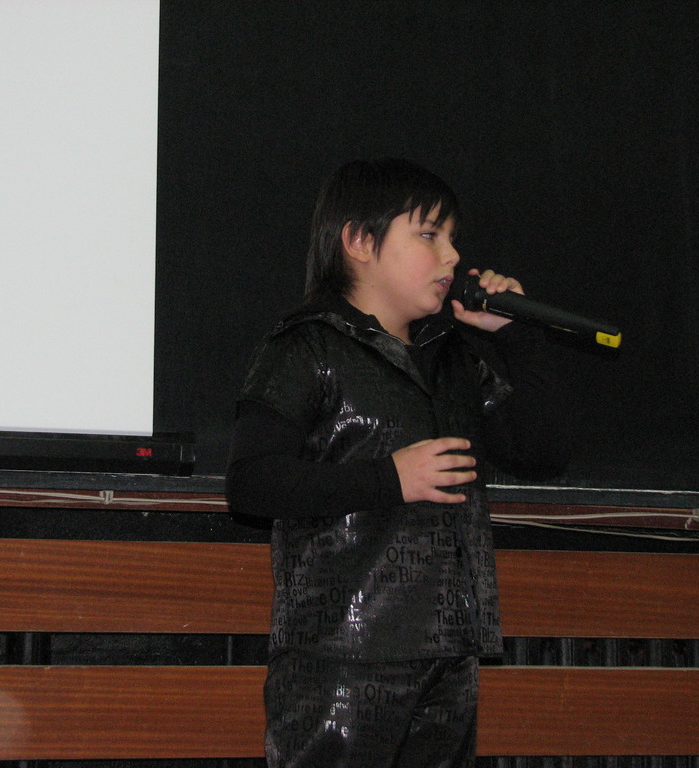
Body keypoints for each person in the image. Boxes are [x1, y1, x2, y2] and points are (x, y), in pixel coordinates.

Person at [226, 157, 571, 768]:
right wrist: (390, 478)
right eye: (429, 235)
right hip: (342, 656)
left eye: (452, 238)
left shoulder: (451, 357)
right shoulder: (307, 346)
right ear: (360, 241)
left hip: (450, 653)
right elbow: (251, 483)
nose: (452, 257)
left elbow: (542, 453)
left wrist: (516, 335)